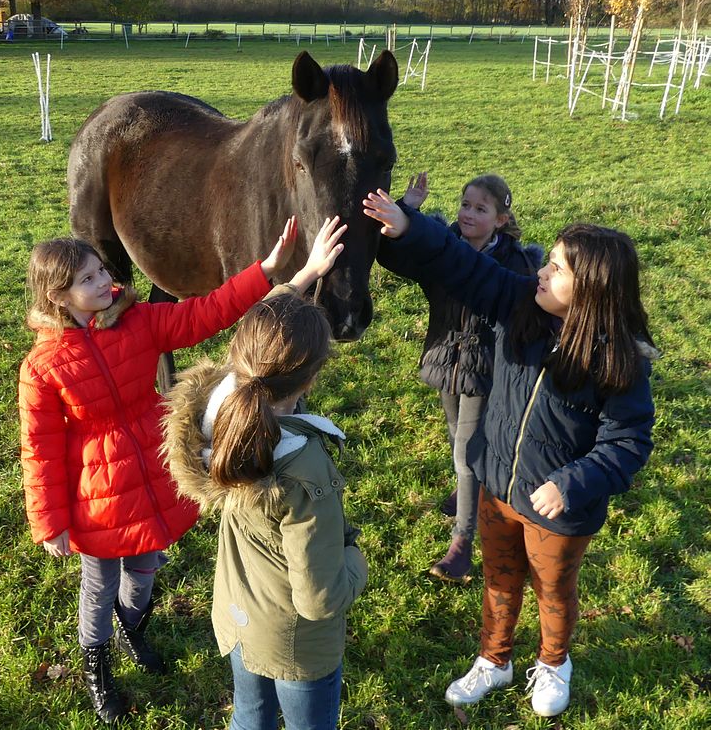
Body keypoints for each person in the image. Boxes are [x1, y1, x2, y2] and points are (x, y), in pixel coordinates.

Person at [19, 216, 347, 725]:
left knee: (145, 573)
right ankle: (97, 665)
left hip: (153, 475)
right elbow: (38, 447)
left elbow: (208, 313)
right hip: (97, 495)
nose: (105, 281)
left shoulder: (139, 320)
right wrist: (50, 521)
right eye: (88, 279)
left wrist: (267, 271)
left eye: (102, 270)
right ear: (58, 296)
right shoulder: (43, 367)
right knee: (99, 585)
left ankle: (134, 629)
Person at [363, 189, 656, 717]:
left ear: (590, 290)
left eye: (558, 268)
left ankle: (552, 662)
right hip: (498, 486)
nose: (542, 271)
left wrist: (571, 485)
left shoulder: (619, 362)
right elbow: (463, 264)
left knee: (552, 590)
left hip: (561, 511)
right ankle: (494, 661)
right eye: (547, 262)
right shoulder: (520, 301)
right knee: (499, 580)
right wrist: (409, 224)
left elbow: (629, 441)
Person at [162, 292, 367, 730]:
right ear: (310, 381)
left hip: (238, 616)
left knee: (249, 717)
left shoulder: (213, 412)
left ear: (238, 353)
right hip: (294, 642)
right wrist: (356, 562)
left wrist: (304, 276)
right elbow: (319, 599)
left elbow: (262, 341)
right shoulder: (304, 471)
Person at [378, 172, 541, 582]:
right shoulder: (443, 241)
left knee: (467, 453)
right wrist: (409, 209)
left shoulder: (514, 262)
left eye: (480, 209)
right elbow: (396, 256)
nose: (468, 214)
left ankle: (462, 544)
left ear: (501, 219)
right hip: (447, 357)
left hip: (485, 366)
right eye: (465, 205)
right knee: (457, 438)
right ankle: (465, 486)